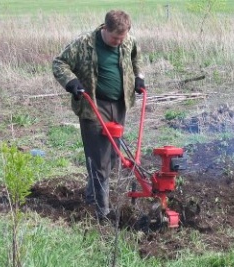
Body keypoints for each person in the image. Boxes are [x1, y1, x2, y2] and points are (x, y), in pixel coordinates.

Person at [52, 10, 145, 221]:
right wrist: (71, 82)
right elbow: (59, 63)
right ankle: (102, 212)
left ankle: (92, 196)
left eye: (122, 38)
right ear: (105, 28)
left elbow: (135, 57)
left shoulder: (127, 41)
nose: (118, 41)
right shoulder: (85, 43)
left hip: (119, 105)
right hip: (93, 105)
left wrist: (139, 77)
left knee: (113, 158)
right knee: (100, 159)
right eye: (115, 38)